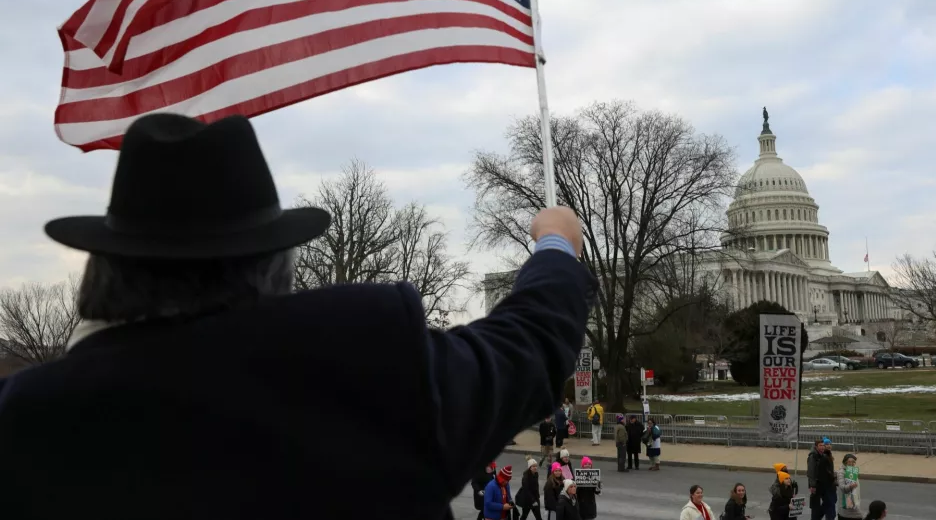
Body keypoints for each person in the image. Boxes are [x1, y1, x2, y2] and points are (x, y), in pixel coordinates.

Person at [0, 114, 596, 519]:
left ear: (109, 266)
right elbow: (530, 342)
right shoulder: (362, 360)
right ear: (272, 264)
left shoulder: (28, 420)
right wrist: (554, 245)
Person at [808, 439, 836, 520]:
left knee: (829, 502)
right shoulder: (813, 456)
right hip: (817, 484)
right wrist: (812, 485)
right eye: (821, 445)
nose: (823, 447)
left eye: (824, 445)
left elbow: (826, 470)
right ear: (816, 447)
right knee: (816, 505)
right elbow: (811, 471)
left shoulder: (824, 455)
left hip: (825, 484)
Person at [836, 454, 861, 520]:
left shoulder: (853, 471)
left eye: (853, 462)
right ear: (845, 462)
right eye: (849, 461)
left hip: (854, 504)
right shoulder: (841, 472)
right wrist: (850, 486)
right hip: (845, 508)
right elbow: (842, 488)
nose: (851, 463)